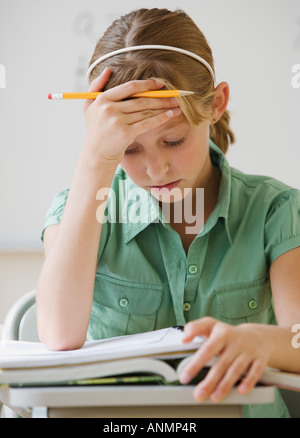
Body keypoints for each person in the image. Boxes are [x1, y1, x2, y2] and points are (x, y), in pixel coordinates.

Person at [36, 8, 300, 417]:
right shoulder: (83, 208)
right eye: (129, 149)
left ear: (216, 105)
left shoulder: (276, 211)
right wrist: (95, 159)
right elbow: (57, 333)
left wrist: (261, 341)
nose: (155, 169)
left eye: (174, 140)